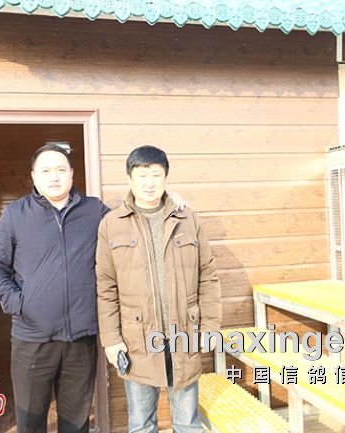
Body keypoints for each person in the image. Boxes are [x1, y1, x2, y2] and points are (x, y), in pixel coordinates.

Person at [0, 143, 109, 433]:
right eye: (46, 170)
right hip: (32, 340)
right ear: (34, 177)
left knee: (76, 424)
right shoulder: (15, 215)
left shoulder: (94, 211)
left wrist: (167, 201)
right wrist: (20, 304)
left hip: (81, 340)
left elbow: (128, 224)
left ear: (72, 174)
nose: (54, 177)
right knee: (31, 422)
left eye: (61, 170)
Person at [95, 145, 222, 433]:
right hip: (138, 339)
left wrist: (211, 327)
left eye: (156, 175)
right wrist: (111, 340)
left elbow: (208, 276)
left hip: (183, 335)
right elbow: (106, 287)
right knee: (142, 424)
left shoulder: (187, 219)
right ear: (130, 179)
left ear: (166, 178)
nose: (149, 183)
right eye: (142, 175)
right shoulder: (111, 225)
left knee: (188, 423)